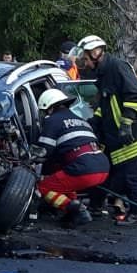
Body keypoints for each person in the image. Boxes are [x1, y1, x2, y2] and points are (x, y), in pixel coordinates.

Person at [75, 34, 137, 225]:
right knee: (106, 171)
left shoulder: (117, 67)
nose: (86, 63)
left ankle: (135, 213)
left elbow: (134, 95)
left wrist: (126, 124)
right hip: (114, 136)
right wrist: (93, 124)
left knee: (131, 176)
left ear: (96, 53)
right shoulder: (103, 74)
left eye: (87, 58)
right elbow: (105, 105)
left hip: (131, 136)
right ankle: (96, 206)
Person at [34, 88, 108, 228]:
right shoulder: (82, 121)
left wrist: (33, 164)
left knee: (43, 186)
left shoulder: (52, 121)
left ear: (49, 108)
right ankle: (72, 213)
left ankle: (76, 210)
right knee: (63, 181)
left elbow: (43, 151)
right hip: (102, 166)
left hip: (84, 168)